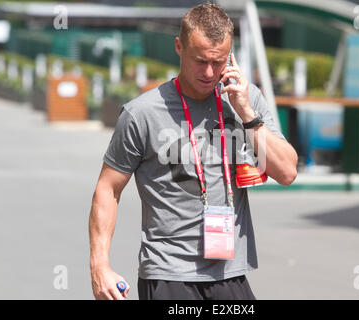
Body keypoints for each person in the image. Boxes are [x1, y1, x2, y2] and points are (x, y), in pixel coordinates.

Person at [89, 3, 298, 300]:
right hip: (168, 273)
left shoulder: (245, 99)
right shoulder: (142, 113)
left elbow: (287, 172)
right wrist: (100, 266)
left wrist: (247, 115)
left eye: (219, 61)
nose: (209, 72)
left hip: (230, 272)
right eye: (200, 61)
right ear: (179, 47)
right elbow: (107, 188)